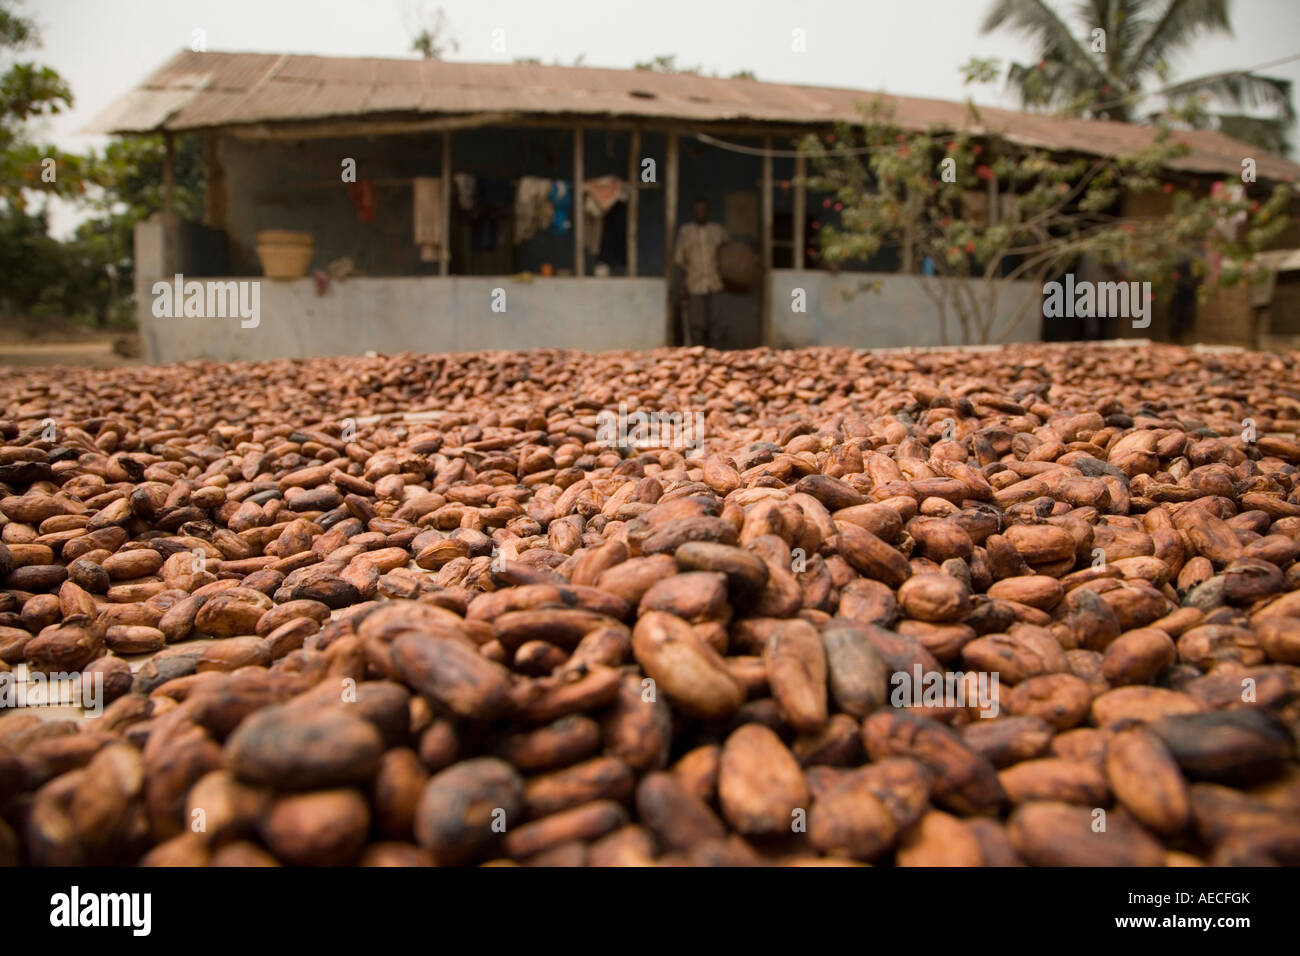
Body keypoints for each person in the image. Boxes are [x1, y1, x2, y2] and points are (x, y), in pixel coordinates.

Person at [674, 199, 729, 347]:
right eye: (697, 211)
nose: (700, 213)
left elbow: (729, 255)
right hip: (694, 283)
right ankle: (699, 353)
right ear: (694, 213)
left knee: (716, 322)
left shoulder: (718, 231)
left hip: (715, 282)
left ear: (707, 212)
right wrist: (682, 286)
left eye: (703, 210)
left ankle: (716, 354)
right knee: (696, 323)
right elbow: (680, 261)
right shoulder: (686, 232)